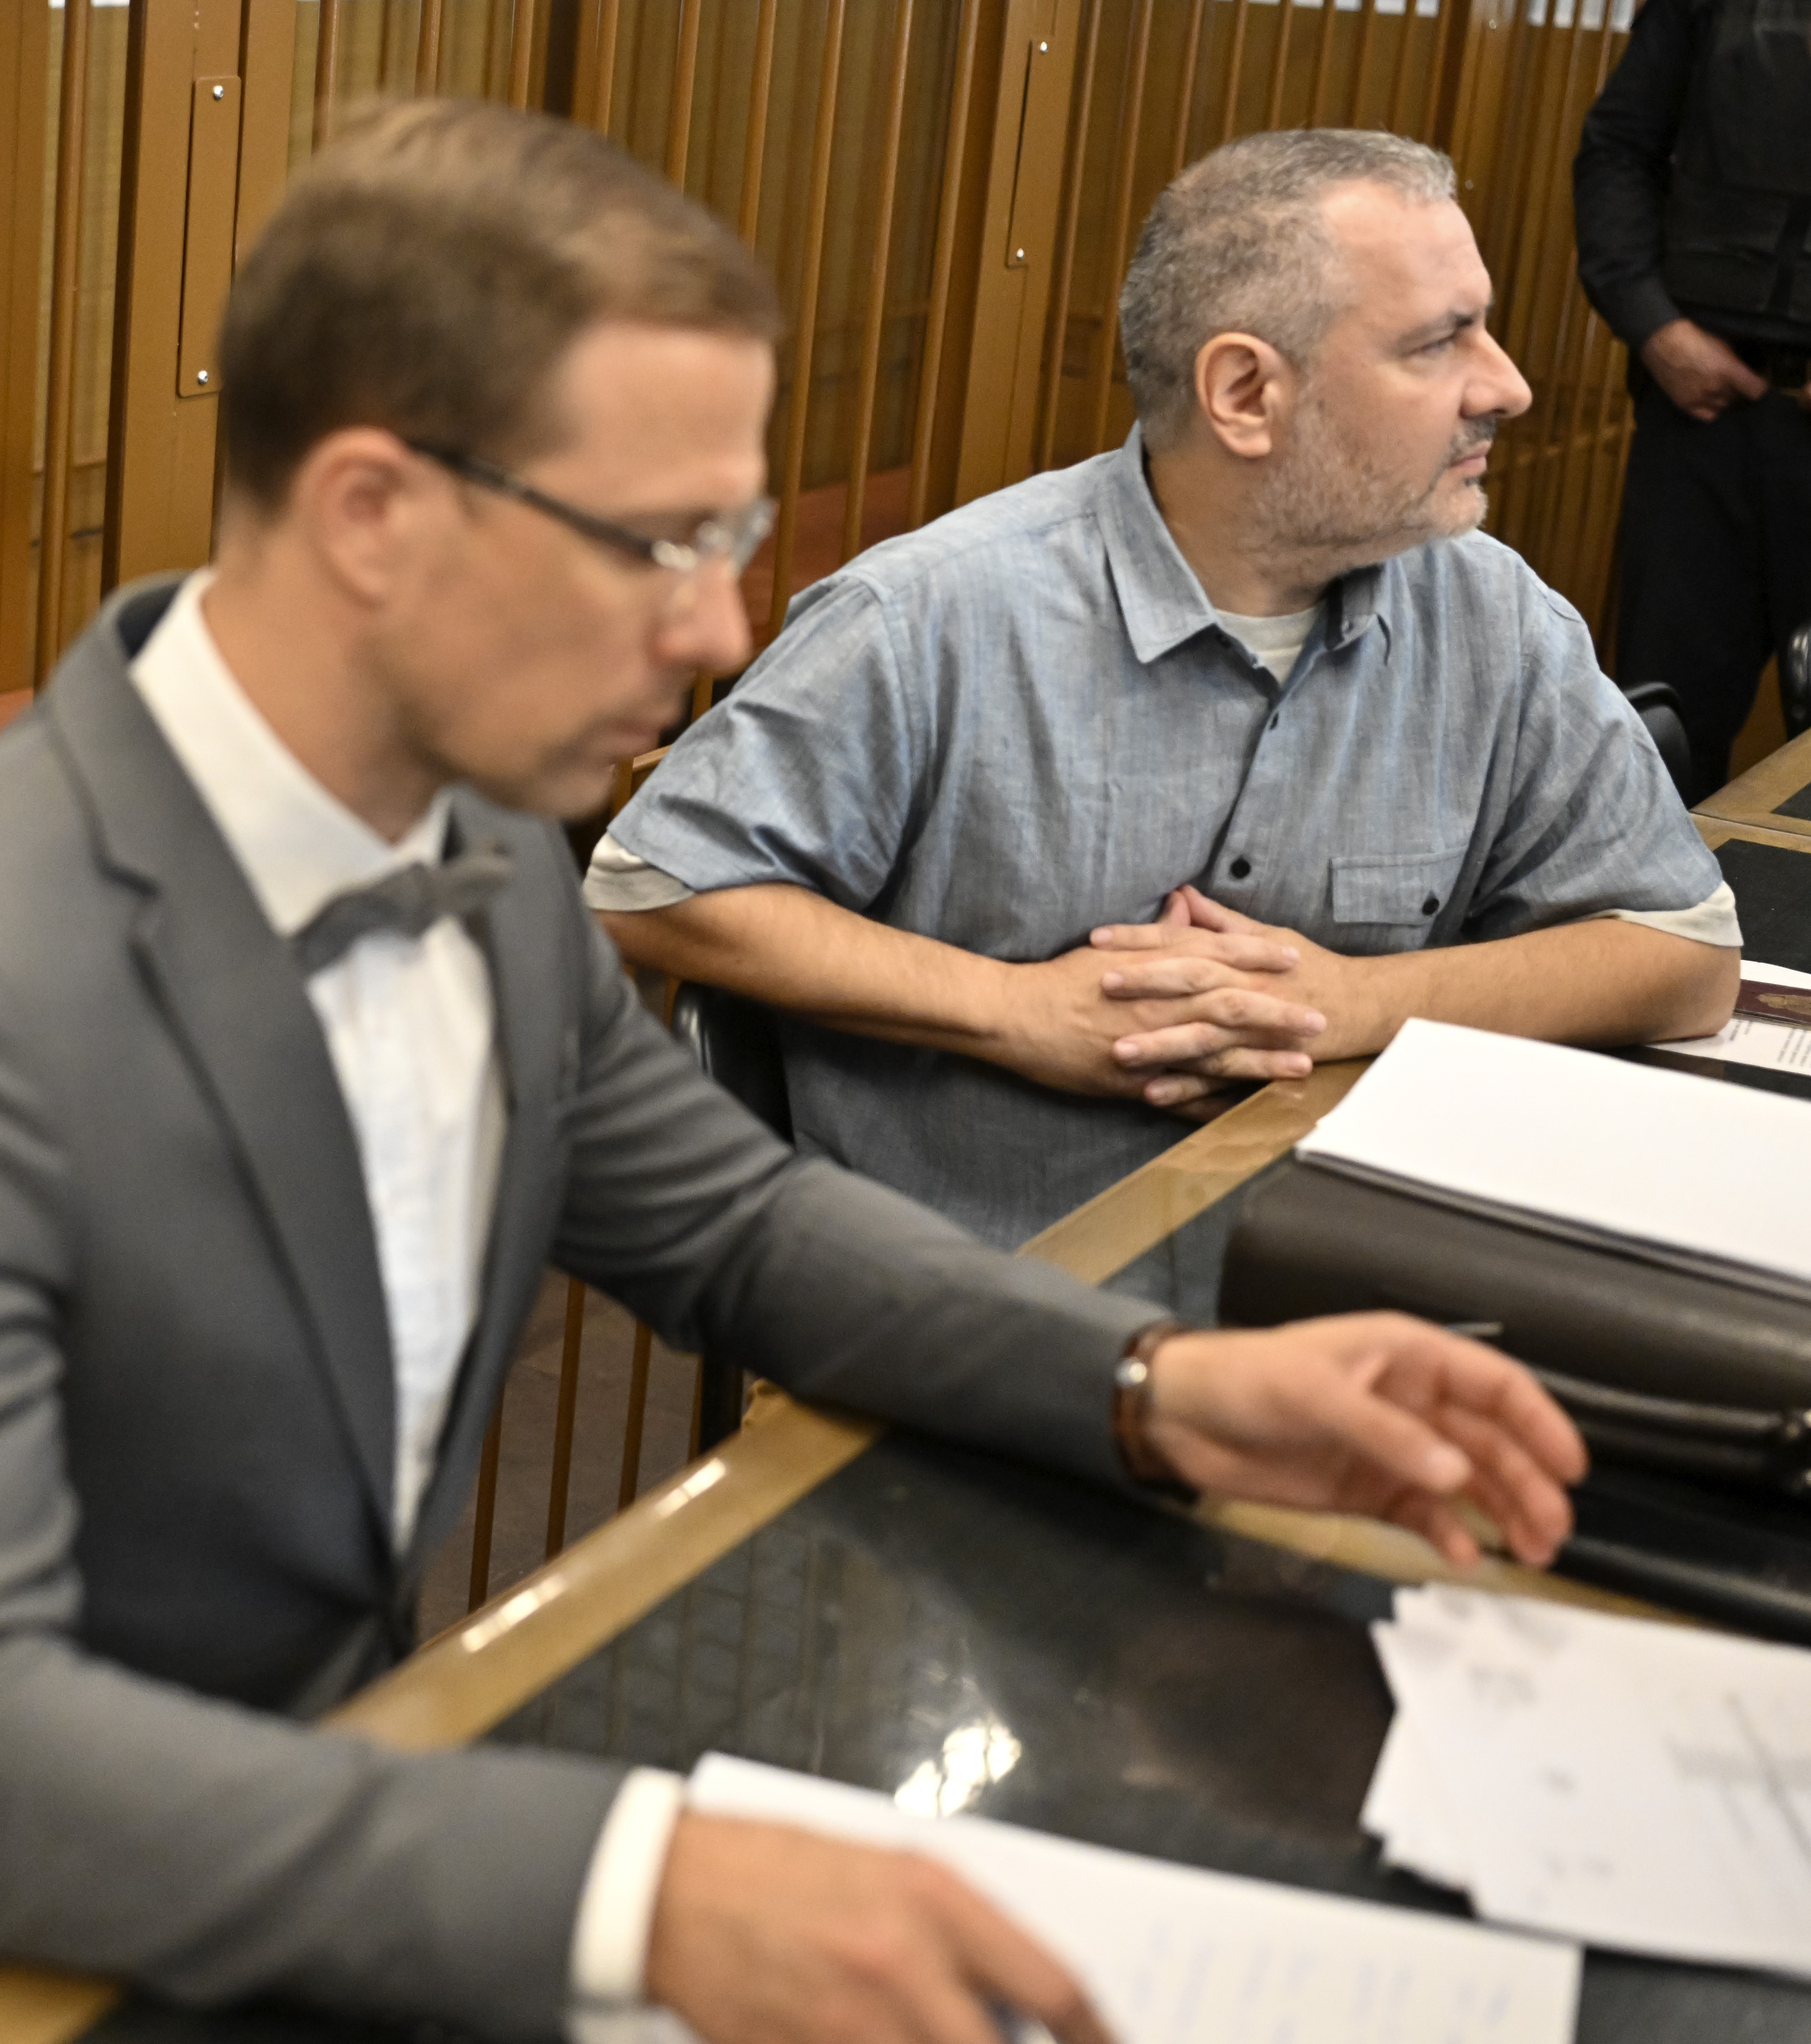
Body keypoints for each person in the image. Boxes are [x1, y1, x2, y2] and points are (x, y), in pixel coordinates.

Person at [0, 100, 1588, 2044]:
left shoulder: (483, 843)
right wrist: (635, 1878)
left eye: (735, 535)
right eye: (660, 544)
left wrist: (1157, 1384)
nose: (719, 626)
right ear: (372, 512)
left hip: (344, 1838)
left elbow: (740, 1229)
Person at [592, 129, 1738, 1250]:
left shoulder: (1495, 618)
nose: (1511, 385)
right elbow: (650, 884)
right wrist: (1019, 1011)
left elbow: (1684, 953)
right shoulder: (933, 615)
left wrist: (1351, 1001)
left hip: (1339, 1304)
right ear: (1246, 392)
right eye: (1440, 343)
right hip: (972, 1326)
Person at [1577, 0, 1811, 803]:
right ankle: (1640, 947)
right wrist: (1653, 325)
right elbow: (1619, 147)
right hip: (1705, 411)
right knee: (1655, 737)